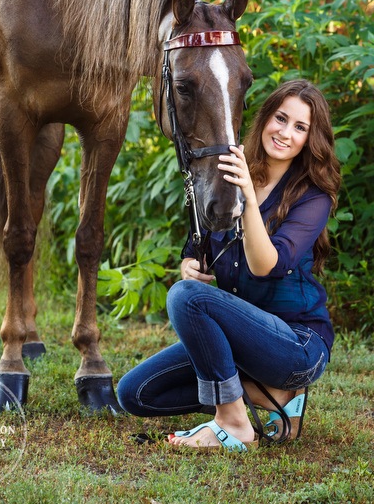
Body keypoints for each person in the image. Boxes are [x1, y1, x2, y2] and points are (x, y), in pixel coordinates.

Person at [117, 79, 341, 451]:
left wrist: (249, 199)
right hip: (238, 342)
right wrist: (189, 263)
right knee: (135, 393)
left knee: (186, 298)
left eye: (300, 127)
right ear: (265, 117)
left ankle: (234, 423)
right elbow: (197, 243)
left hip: (296, 346)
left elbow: (266, 265)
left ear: (310, 138)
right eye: (280, 118)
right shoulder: (227, 174)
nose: (285, 133)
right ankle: (273, 396)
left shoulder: (313, 196)